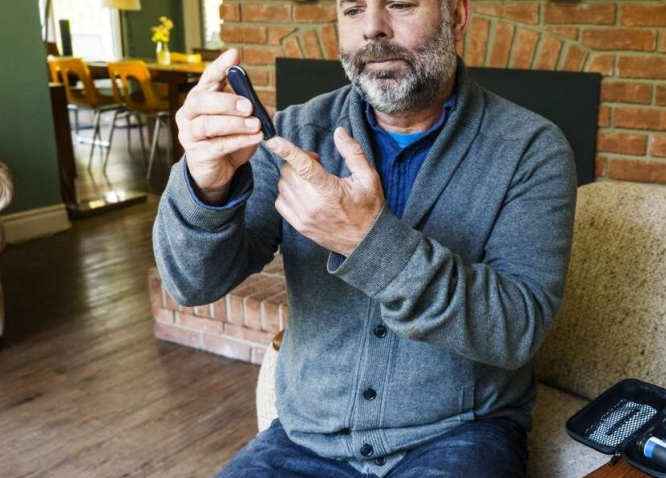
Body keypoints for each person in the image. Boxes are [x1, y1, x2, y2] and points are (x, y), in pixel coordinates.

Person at [152, 0, 577, 475]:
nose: (373, 28)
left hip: (458, 434)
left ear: (455, 15)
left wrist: (367, 243)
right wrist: (205, 187)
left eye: (400, 4)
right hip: (305, 438)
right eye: (353, 9)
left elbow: (517, 330)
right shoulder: (294, 133)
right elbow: (193, 285)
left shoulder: (531, 149)